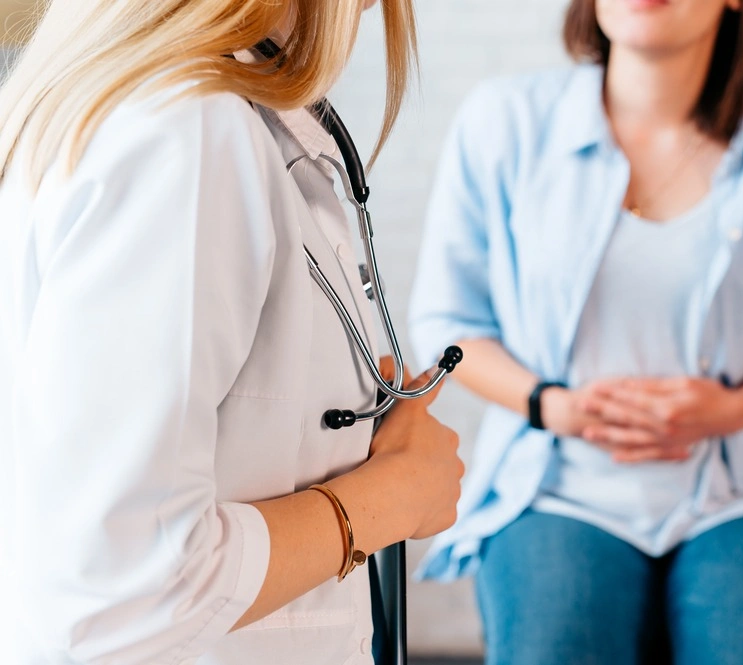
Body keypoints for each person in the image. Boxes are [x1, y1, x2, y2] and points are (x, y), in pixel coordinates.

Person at [0, 0, 464, 663]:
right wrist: (392, 495)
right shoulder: (185, 130)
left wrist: (371, 440)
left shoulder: (178, 112)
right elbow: (124, 589)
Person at [408, 0, 743, 663]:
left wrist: (734, 406)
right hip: (556, 485)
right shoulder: (503, 120)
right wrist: (553, 405)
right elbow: (447, 325)